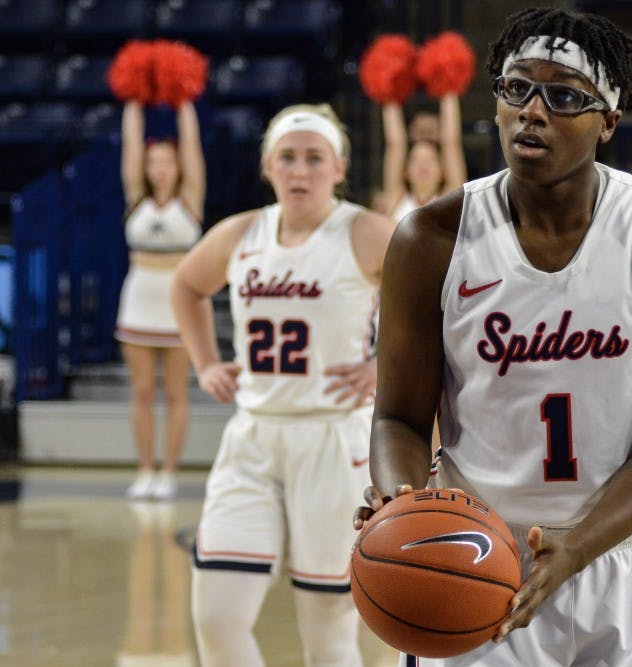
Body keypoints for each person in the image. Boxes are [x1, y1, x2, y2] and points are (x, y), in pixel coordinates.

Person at [355, 7, 632, 665]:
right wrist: (401, 503)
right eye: (516, 88)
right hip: (479, 557)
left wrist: (577, 545)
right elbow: (398, 419)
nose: (532, 110)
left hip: (628, 551)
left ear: (608, 120)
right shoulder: (430, 238)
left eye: (563, 96)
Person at [171, 103, 395, 666]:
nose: (300, 171)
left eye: (314, 159)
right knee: (216, 617)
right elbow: (185, 286)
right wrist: (207, 363)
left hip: (333, 440)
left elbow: (441, 305)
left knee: (328, 633)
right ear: (267, 167)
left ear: (339, 168)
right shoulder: (241, 233)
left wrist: (382, 365)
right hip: (252, 437)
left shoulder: (365, 232)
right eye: (287, 158)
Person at [116, 100, 205, 501]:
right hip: (138, 297)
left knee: (175, 393)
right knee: (141, 392)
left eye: (167, 162)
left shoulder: (190, 198)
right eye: (154, 162)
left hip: (177, 301)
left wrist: (183, 99)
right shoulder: (135, 196)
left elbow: (192, 144)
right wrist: (134, 100)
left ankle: (169, 472)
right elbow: (130, 146)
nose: (160, 169)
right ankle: (144, 469)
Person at [377, 94, 467, 222]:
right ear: (405, 172)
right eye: (415, 160)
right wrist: (388, 89)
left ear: (443, 171)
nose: (423, 165)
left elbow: (452, 144)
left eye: (431, 160)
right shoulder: (396, 200)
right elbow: (394, 145)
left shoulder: (451, 201)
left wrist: (448, 87)